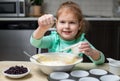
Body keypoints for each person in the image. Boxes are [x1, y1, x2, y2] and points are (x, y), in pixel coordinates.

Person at [30, 1, 105, 65]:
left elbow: (100, 61)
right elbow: (35, 43)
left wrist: (92, 53)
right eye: (62, 22)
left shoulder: (81, 42)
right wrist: (41, 29)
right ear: (56, 24)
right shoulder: (54, 39)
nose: (67, 26)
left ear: (79, 25)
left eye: (72, 22)